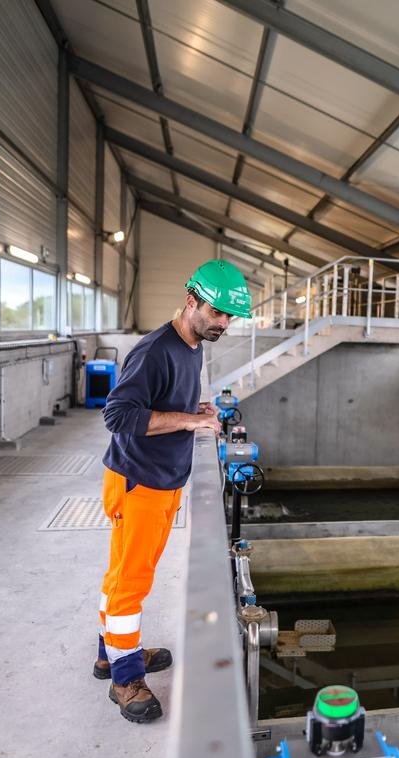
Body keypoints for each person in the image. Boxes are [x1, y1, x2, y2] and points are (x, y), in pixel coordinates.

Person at [95, 259, 252, 723]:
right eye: (217, 313)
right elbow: (118, 416)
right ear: (191, 301)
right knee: (131, 583)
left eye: (229, 316)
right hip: (139, 481)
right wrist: (190, 420)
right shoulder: (154, 350)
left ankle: (110, 653)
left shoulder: (193, 345)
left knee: (122, 572)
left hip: (161, 481)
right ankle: (125, 679)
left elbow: (162, 403)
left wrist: (193, 407)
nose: (223, 323)